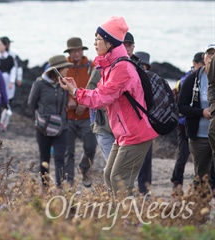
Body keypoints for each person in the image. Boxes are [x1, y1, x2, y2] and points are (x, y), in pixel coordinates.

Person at [59, 16, 158, 196]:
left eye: (97, 39)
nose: (95, 43)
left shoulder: (122, 68)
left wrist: (74, 91)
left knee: (119, 180)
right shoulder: (110, 66)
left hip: (135, 133)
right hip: (122, 133)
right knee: (109, 175)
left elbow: (100, 98)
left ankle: (125, 221)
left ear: (109, 42)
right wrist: (76, 89)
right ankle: (117, 218)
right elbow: (98, 93)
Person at [29, 55, 72, 188]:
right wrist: (42, 117)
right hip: (43, 128)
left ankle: (60, 187)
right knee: (44, 159)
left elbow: (65, 102)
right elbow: (31, 103)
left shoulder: (64, 84)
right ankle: (45, 186)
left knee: (60, 158)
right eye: (65, 68)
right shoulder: (39, 83)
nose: (67, 70)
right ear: (57, 70)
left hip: (62, 127)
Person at [179, 43, 215, 195]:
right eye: (209, 54)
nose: (211, 58)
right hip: (199, 137)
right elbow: (181, 106)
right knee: (201, 176)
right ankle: (201, 212)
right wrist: (201, 112)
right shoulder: (193, 78)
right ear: (204, 57)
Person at [63, 37, 97, 188]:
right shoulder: (62, 66)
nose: (77, 53)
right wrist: (68, 101)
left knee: (90, 147)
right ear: (69, 52)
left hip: (86, 116)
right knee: (68, 151)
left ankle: (84, 168)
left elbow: (97, 87)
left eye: (79, 50)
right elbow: (56, 88)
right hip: (68, 116)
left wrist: (84, 103)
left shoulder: (92, 66)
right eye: (74, 51)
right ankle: (69, 180)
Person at [171, 51, 207, 192]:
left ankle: (200, 185)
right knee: (183, 154)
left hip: (199, 125)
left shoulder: (206, 79)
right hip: (184, 124)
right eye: (201, 64)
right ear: (195, 64)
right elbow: (182, 105)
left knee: (201, 158)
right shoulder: (188, 79)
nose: (204, 66)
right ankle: (176, 182)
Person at [134, 51, 154, 195]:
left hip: (147, 124)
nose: (143, 69)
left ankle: (144, 188)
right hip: (131, 124)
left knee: (146, 158)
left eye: (146, 66)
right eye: (141, 65)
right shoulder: (130, 79)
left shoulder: (152, 81)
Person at [0, 37, 23, 131]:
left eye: (0, 45)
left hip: (8, 83)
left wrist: (13, 80)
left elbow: (15, 69)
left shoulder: (11, 57)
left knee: (7, 102)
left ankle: (4, 123)